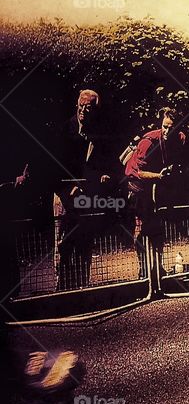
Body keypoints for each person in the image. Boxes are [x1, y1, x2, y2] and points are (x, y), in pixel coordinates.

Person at [52, 89, 122, 290]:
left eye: (88, 107)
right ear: (77, 105)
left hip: (87, 197)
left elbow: (104, 164)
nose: (83, 110)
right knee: (62, 243)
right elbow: (52, 166)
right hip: (64, 194)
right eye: (81, 106)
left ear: (96, 110)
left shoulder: (99, 133)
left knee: (84, 240)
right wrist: (68, 188)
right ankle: (61, 288)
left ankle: (83, 286)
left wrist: (105, 175)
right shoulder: (63, 131)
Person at [125, 108, 186, 281]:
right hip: (137, 185)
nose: (167, 131)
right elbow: (141, 172)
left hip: (157, 185)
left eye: (171, 127)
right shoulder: (148, 142)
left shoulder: (179, 138)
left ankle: (157, 268)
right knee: (141, 229)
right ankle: (143, 270)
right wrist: (159, 175)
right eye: (165, 127)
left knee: (157, 227)